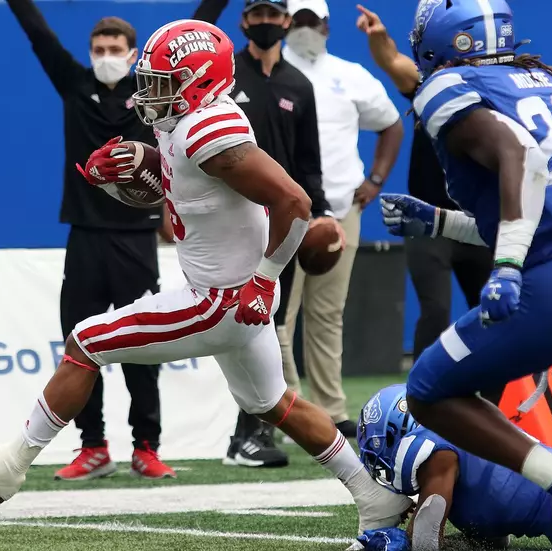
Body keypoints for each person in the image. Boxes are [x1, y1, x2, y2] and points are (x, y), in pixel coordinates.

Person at [0, 19, 412, 533]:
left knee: (86, 340)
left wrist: (263, 279)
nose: (149, 93)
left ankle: (10, 465)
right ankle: (374, 494)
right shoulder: (188, 123)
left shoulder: (207, 129)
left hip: (221, 298)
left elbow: (294, 202)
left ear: (200, 81)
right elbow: (197, 186)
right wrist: (140, 161)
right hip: (230, 293)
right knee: (273, 403)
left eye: (163, 83)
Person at [379, 1, 552, 549]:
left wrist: (506, 266)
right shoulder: (539, 79)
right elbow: (538, 198)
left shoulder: (446, 87)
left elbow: (524, 158)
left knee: (426, 392)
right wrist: (441, 222)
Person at [5, 0, 175, 480]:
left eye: (114, 48)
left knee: (143, 346)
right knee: (80, 346)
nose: (105, 56)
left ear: (133, 52)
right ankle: (93, 446)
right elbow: (39, 33)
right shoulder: (75, 85)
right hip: (84, 238)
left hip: (137, 239)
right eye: (98, 48)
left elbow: (200, 24)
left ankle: (147, 446)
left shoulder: (150, 92)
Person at [192, 0, 342, 469]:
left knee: (270, 323)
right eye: (256, 14)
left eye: (274, 15)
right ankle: (247, 435)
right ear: (242, 21)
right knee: (246, 323)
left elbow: (308, 163)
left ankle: (251, 433)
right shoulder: (223, 77)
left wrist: (322, 214)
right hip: (232, 218)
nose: (265, 22)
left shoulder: (299, 84)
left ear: (284, 21)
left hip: (283, 220)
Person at [354, 4, 499, 405]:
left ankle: (494, 409)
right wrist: (379, 37)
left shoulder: (497, 94)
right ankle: (419, 405)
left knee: (494, 313)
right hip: (429, 221)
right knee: (435, 311)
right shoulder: (433, 87)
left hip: (478, 223)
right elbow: (394, 63)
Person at [279, 0, 404, 435]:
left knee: (328, 313)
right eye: (299, 20)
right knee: (279, 315)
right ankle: (289, 409)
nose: (306, 29)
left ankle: (330, 409)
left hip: (341, 209)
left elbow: (391, 123)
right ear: (285, 22)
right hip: (282, 211)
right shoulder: (270, 73)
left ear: (329, 26)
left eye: (314, 21)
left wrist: (375, 179)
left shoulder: (350, 75)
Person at [356, 385, 552, 551]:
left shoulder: (438, 454)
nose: (378, 458)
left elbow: (425, 542)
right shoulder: (454, 473)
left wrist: (400, 543)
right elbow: (493, 541)